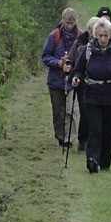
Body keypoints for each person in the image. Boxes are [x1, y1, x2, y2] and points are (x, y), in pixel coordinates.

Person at [71, 18, 111, 173]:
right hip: (92, 95)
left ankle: (105, 160)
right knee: (95, 129)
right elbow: (78, 69)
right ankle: (92, 159)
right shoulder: (87, 50)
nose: (103, 38)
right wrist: (76, 78)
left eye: (106, 35)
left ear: (110, 35)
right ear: (95, 36)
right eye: (100, 35)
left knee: (108, 132)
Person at [42, 8, 79, 148]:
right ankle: (60, 136)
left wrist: (73, 65)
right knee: (58, 112)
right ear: (62, 20)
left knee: (72, 111)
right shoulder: (54, 36)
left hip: (72, 81)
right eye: (67, 22)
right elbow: (45, 56)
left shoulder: (80, 37)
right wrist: (58, 63)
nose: (69, 26)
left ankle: (70, 138)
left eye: (72, 23)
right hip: (56, 80)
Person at [64, 16, 100, 152]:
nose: (94, 34)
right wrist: (68, 65)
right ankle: (83, 139)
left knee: (96, 113)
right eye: (91, 31)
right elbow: (71, 58)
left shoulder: (107, 43)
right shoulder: (80, 42)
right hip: (83, 83)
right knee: (85, 113)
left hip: (99, 84)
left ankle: (94, 140)